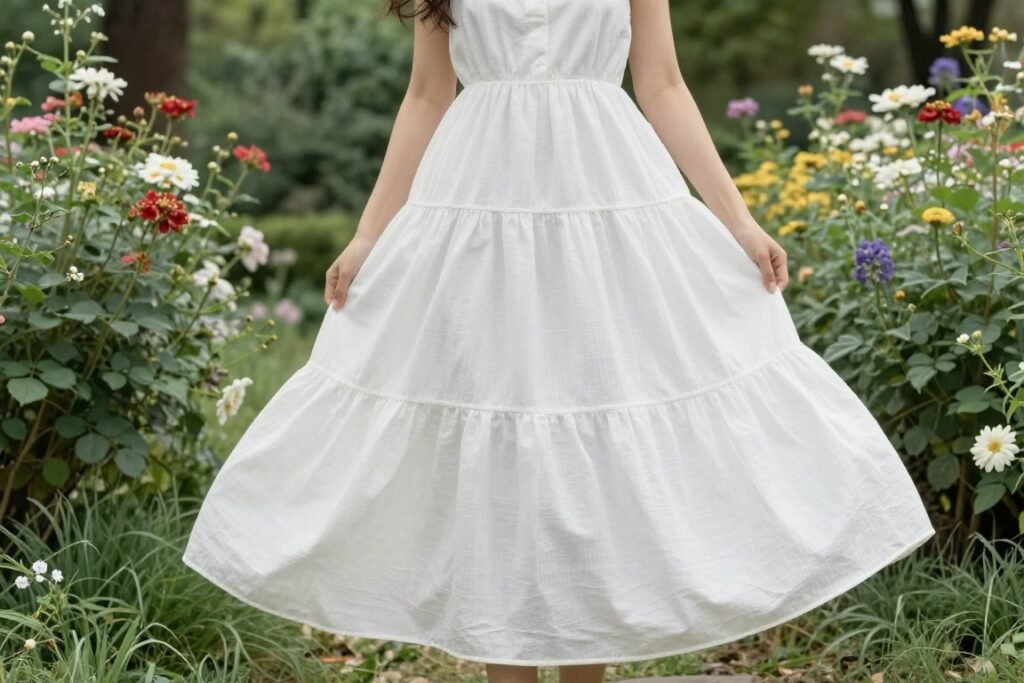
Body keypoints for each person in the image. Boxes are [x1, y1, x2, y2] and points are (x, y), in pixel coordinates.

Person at [182, 1, 937, 681]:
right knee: (491, 436)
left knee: (593, 429)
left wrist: (737, 220)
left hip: (603, 201)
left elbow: (663, 84)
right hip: (477, 209)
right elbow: (426, 95)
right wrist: (368, 234)